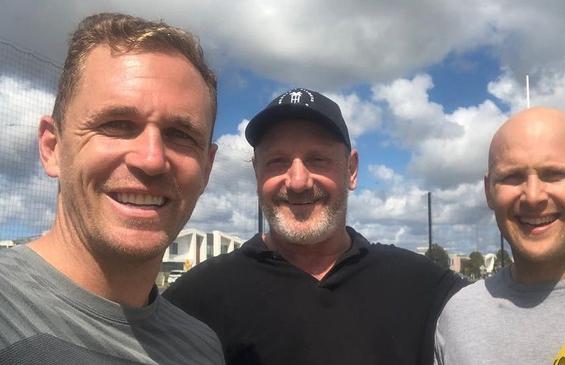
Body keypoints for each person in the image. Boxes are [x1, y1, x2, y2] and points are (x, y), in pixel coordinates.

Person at [163, 88, 464, 365]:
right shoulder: (194, 301)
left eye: (318, 159)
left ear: (352, 170)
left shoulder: (424, 289)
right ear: (257, 173)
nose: (297, 182)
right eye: (277, 161)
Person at [0, 13, 225, 364]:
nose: (151, 159)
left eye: (180, 135)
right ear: (52, 147)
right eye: (116, 124)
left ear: (207, 168)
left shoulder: (202, 348)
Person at [434, 107, 565, 364]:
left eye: (554, 174)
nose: (533, 196)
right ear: (489, 191)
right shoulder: (459, 317)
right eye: (512, 177)